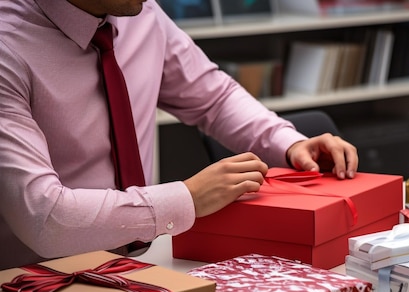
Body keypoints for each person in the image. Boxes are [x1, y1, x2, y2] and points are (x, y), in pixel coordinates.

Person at [0, 0, 359, 270]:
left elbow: (213, 98)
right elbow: (43, 217)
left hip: (148, 263)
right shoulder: (8, 46)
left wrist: (289, 143)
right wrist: (187, 197)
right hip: (37, 284)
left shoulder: (142, 12)